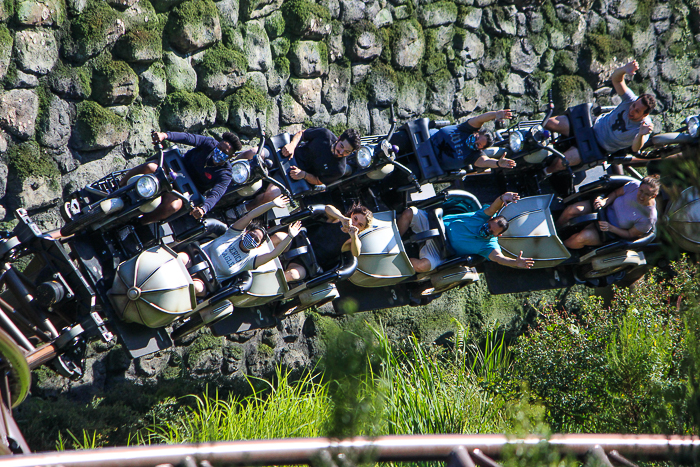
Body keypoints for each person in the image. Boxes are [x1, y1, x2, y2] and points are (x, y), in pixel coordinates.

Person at [544, 60, 656, 175]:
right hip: (592, 125)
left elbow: (636, 148)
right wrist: (624, 70)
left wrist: (642, 134)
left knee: (560, 161)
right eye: (633, 106)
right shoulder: (631, 100)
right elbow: (616, 80)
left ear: (645, 115)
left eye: (637, 111)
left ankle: (545, 172)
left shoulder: (644, 127)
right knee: (550, 123)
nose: (631, 110)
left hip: (598, 146)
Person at [179, 195, 301, 296]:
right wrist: (272, 204)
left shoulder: (250, 260)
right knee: (180, 258)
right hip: (194, 259)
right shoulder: (233, 234)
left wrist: (290, 236)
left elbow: (274, 254)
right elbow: (250, 216)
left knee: (195, 287)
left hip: (204, 280)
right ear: (246, 232)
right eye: (252, 234)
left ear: (258, 245)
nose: (252, 239)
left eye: (256, 240)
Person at [120, 131, 242, 224]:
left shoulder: (225, 174)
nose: (220, 152)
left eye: (225, 152)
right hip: (173, 170)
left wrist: (204, 209)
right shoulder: (209, 144)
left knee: (173, 206)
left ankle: (138, 223)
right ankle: (119, 186)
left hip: (183, 192)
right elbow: (189, 138)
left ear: (230, 157)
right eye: (219, 148)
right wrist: (165, 135)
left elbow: (216, 194)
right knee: (151, 167)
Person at [235, 127, 362, 214]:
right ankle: (230, 164)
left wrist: (304, 175)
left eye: (346, 152)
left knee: (271, 195)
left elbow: (319, 181)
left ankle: (244, 209)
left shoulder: (339, 169)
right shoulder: (325, 135)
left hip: (294, 175)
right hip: (287, 154)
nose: (340, 152)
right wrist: (292, 145)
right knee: (253, 152)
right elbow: (302, 133)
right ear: (338, 138)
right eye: (341, 146)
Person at [396, 193, 535, 272]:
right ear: (489, 220)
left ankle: (394, 261)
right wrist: (502, 198)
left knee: (422, 266)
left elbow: (499, 258)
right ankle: (395, 240)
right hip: (432, 224)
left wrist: (514, 263)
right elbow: (493, 207)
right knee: (410, 212)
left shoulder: (489, 246)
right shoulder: (482, 216)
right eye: (489, 226)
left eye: (491, 231)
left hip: (439, 249)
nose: (487, 229)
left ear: (497, 235)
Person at [272, 203, 373, 282]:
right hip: (296, 242)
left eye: (360, 224)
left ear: (362, 229)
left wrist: (354, 235)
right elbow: (328, 208)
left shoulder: (351, 240)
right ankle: (257, 253)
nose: (354, 223)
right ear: (352, 214)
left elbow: (356, 252)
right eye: (355, 219)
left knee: (291, 275)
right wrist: (342, 218)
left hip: (307, 262)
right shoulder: (337, 219)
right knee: (278, 237)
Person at [556, 175, 660, 249]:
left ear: (653, 196)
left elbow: (630, 234)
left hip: (609, 229)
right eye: (641, 191)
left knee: (581, 237)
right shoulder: (634, 186)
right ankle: (555, 229)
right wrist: (604, 201)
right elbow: (615, 193)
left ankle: (559, 248)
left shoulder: (648, 218)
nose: (641, 196)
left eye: (646, 194)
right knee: (572, 210)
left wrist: (611, 228)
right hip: (603, 209)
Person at [429, 109, 516, 170]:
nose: (474, 141)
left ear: (480, 149)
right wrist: (495, 114)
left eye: (477, 144)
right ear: (476, 132)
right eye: (476, 138)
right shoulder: (466, 129)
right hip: (426, 139)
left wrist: (498, 164)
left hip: (429, 164)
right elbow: (480, 119)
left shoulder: (473, 156)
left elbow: (486, 161)